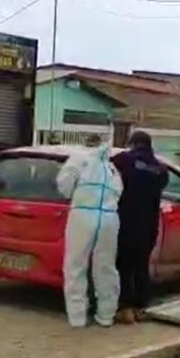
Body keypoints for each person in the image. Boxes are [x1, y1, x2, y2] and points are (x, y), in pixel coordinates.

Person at [56, 133, 123, 328]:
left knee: (75, 265)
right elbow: (119, 190)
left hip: (83, 215)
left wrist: (75, 196)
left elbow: (64, 185)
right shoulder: (111, 167)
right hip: (109, 218)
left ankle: (77, 318)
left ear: (85, 143)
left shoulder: (78, 159)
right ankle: (106, 315)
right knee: (106, 267)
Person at [112, 131, 168, 325]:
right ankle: (141, 307)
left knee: (123, 266)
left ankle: (125, 309)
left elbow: (110, 166)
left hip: (126, 222)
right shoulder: (161, 169)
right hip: (149, 225)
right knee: (141, 265)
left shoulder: (124, 160)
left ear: (133, 144)